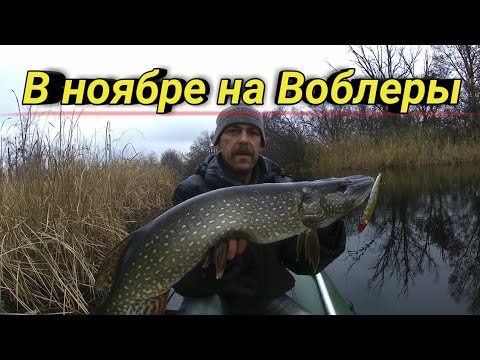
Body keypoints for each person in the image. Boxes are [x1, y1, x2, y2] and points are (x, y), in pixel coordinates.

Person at [171, 103, 346, 315]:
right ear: (218, 142)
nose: (244, 139)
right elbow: (183, 282)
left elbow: (306, 266)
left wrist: (327, 221)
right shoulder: (191, 191)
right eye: (233, 131)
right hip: (209, 296)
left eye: (253, 133)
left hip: (265, 297)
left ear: (261, 144)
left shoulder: (286, 191)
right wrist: (216, 260)